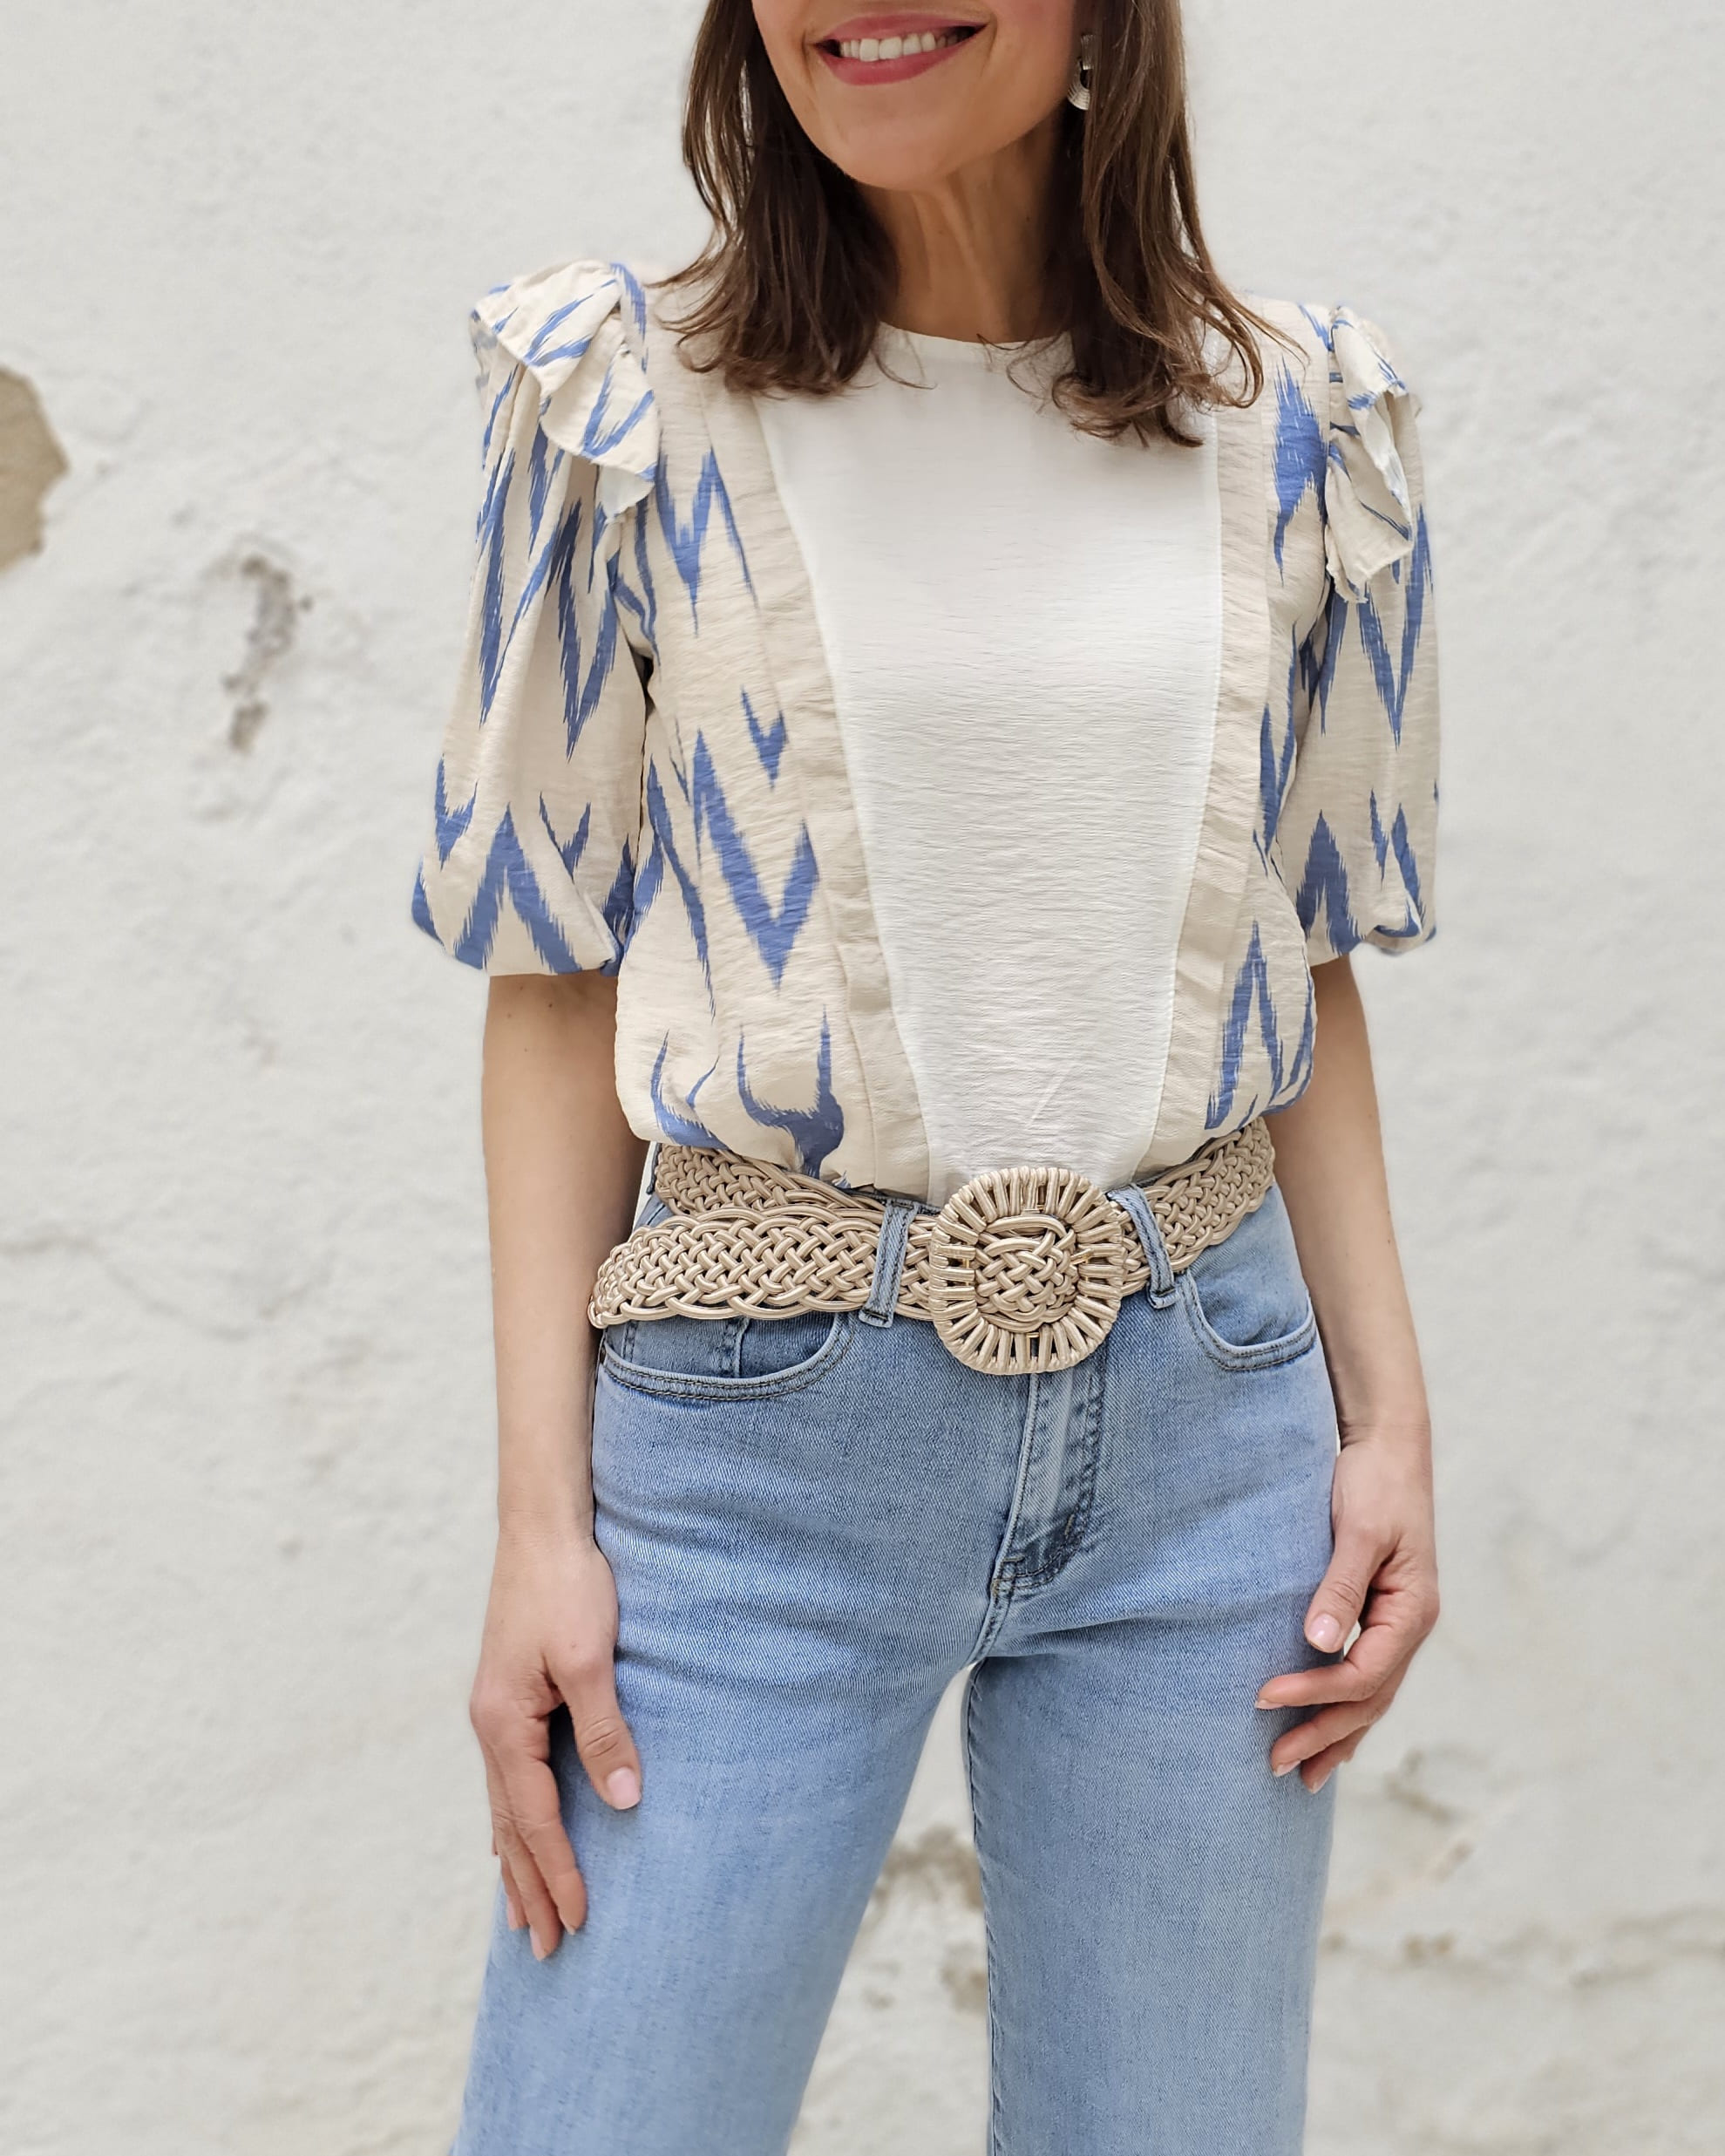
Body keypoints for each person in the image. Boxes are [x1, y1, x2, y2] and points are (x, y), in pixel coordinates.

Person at [411, 3, 1442, 2149]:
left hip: (1211, 1432)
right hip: (756, 1453)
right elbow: (552, 979)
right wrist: (539, 1527)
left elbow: (1308, 955)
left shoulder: (1293, 416)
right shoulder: (625, 405)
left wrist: (1388, 1425)